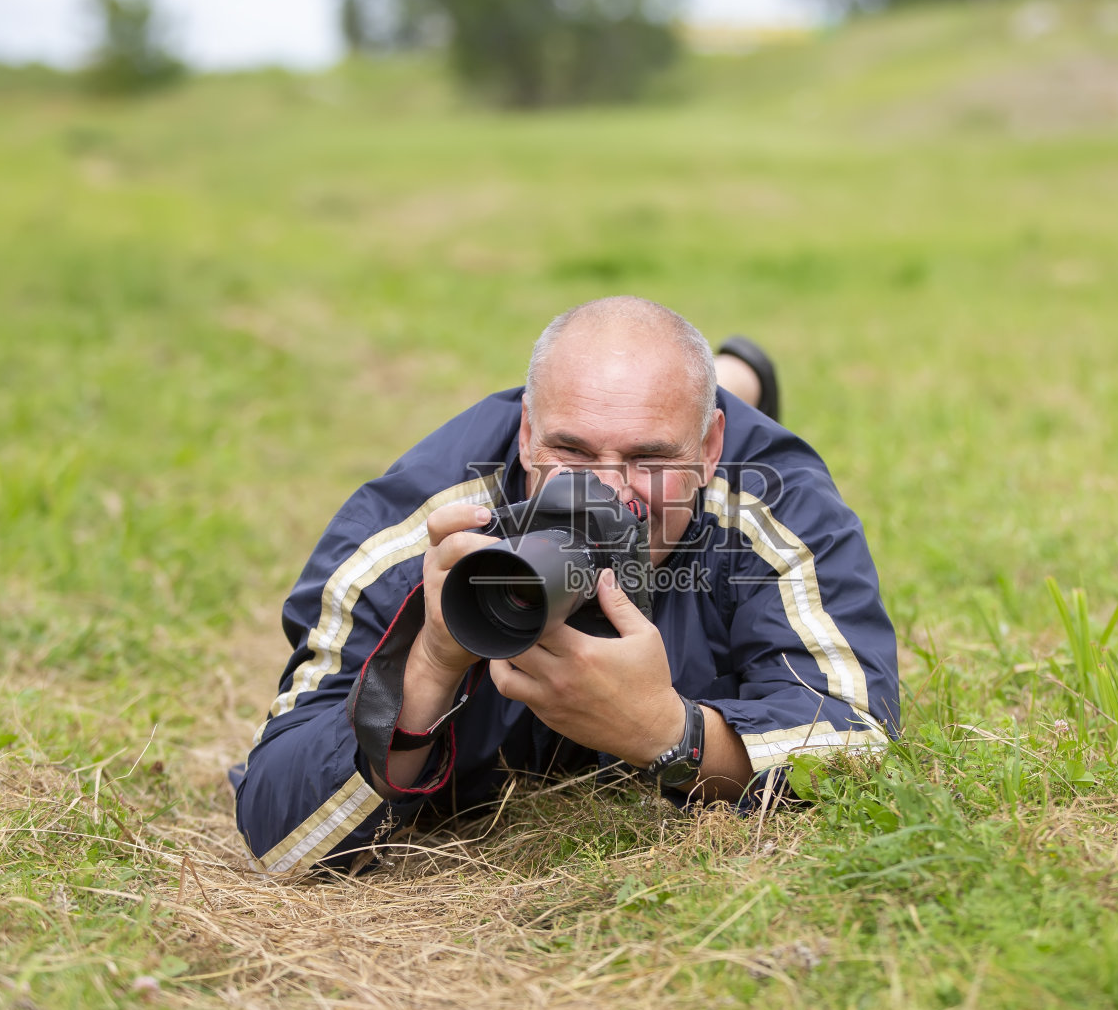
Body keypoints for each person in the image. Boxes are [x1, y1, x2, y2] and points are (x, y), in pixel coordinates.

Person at [234, 296, 898, 875]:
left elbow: (863, 746)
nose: (606, 492)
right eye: (573, 453)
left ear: (711, 448)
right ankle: (718, 386)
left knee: (704, 402)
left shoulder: (773, 504)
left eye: (650, 457)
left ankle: (735, 382)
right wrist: (430, 662)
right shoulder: (425, 533)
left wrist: (672, 732)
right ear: (525, 434)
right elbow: (280, 840)